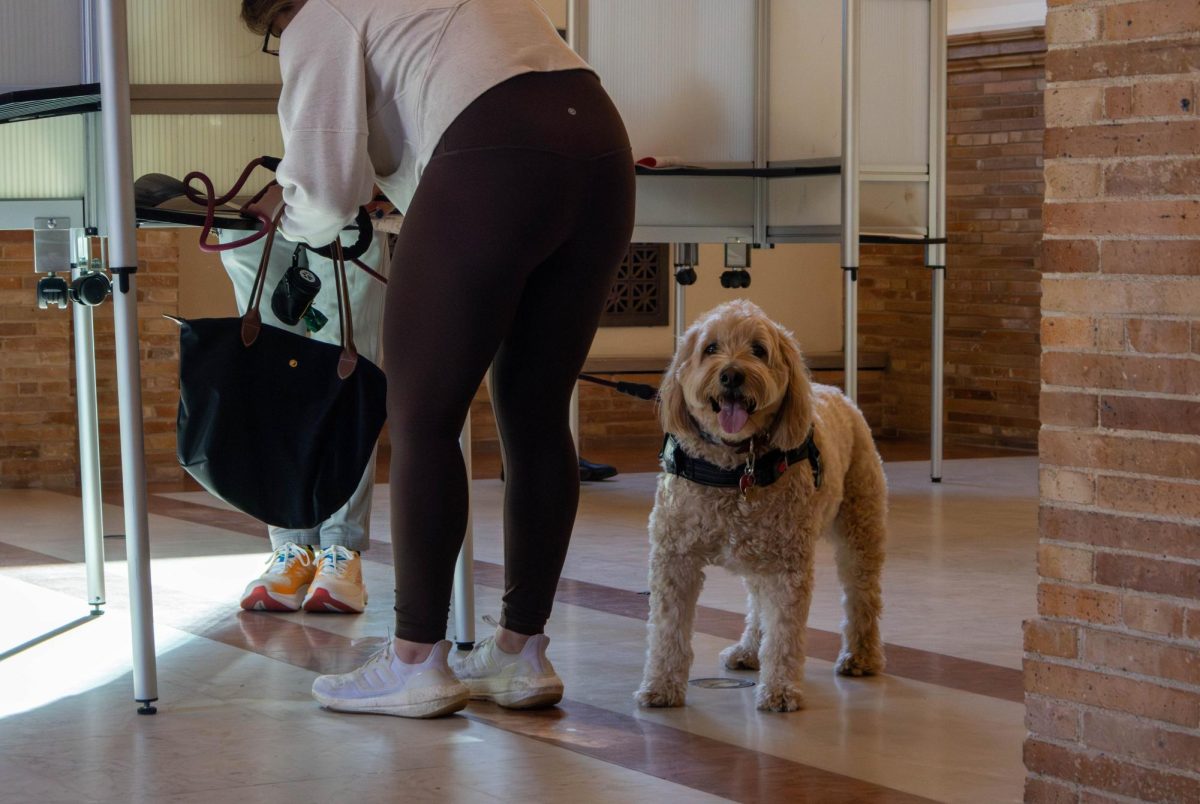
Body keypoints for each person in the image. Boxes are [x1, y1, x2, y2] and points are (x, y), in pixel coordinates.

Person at [240, 0, 635, 719]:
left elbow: (325, 196)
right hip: (601, 148)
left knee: (422, 415)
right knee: (538, 414)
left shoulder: (317, 13)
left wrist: (281, 210)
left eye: (270, 36)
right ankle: (521, 653)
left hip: (497, 155)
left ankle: (416, 661)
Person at [218, 225, 388, 615]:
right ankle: (291, 544)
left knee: (347, 365)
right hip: (249, 192)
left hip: (345, 191)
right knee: (268, 371)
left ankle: (341, 550)